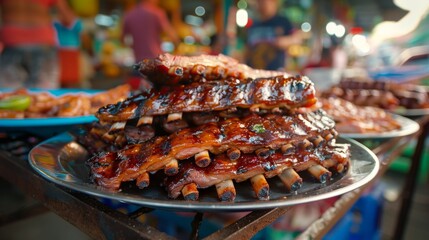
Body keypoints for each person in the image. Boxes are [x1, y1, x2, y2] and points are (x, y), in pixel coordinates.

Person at [0, 0, 75, 89]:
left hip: (11, 42)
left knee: (9, 95)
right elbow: (68, 19)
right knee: (45, 94)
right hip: (42, 42)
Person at [246, 0, 305, 71]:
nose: (261, 4)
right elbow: (247, 48)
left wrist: (282, 42)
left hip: (276, 72)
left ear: (274, 3)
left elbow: (297, 39)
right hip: (254, 72)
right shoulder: (253, 24)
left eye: (264, 2)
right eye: (259, 2)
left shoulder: (282, 21)